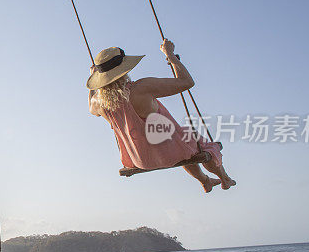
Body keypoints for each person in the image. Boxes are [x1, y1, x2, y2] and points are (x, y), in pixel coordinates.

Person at [88, 39, 235, 193]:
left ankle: (205, 181)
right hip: (169, 151)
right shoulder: (141, 88)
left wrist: (92, 81)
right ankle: (224, 178)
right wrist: (170, 55)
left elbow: (91, 107)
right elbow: (186, 82)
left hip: (140, 159)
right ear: (124, 69)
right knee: (196, 143)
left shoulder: (99, 104)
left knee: (182, 142)